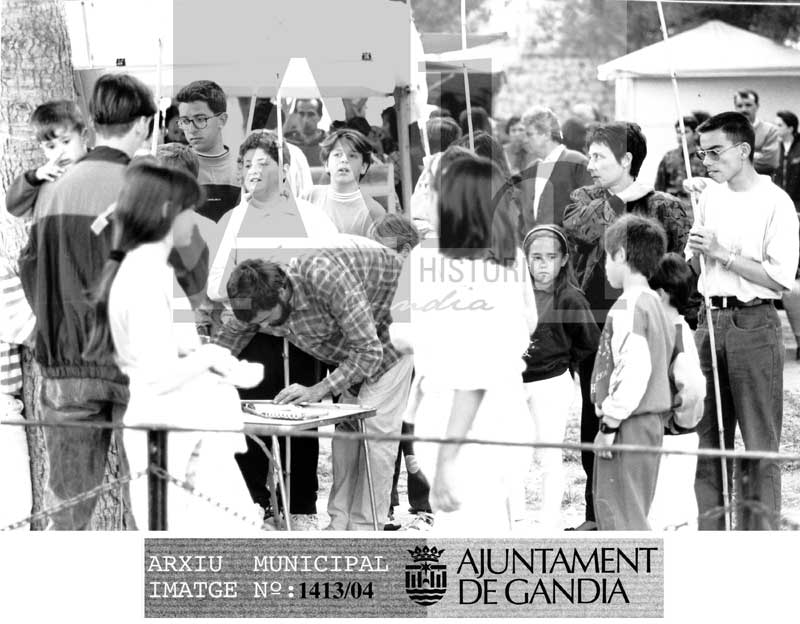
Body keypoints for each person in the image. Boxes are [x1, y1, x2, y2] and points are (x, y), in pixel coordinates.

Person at [83, 162, 261, 531]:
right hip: (166, 435)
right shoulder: (143, 276)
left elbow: (176, 352)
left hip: (184, 431)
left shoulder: (155, 271)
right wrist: (210, 356)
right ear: (167, 211)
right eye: (189, 210)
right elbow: (159, 374)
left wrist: (216, 362)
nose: (194, 220)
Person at [17, 73, 157, 530]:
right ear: (144, 124)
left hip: (67, 360)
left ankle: (60, 578)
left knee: (67, 506)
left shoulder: (52, 187)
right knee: (150, 501)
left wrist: (57, 322)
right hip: (132, 361)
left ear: (94, 126)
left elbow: (29, 267)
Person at [214, 238, 414, 531]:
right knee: (347, 436)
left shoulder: (325, 279)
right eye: (259, 324)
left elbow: (370, 352)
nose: (265, 328)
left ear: (283, 292)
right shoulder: (252, 299)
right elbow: (229, 339)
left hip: (392, 335)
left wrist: (318, 389)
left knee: (375, 432)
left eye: (268, 319)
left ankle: (366, 529)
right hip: (353, 346)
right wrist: (205, 376)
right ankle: (339, 524)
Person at [562, 121, 690, 530]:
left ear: (627, 159)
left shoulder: (665, 206)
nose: (590, 165)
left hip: (647, 317)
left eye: (599, 157)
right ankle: (595, 512)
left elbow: (679, 265)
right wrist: (620, 200)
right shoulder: (584, 198)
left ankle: (641, 514)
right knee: (593, 412)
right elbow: (578, 229)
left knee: (642, 409)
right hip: (595, 323)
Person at [207, 131, 337, 530]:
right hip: (251, 338)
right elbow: (215, 286)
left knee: (301, 421)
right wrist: (254, 297)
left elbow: (332, 272)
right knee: (250, 419)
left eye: (263, 163)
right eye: (246, 164)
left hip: (302, 337)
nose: (253, 171)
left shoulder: (311, 217)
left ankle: (301, 507)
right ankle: (256, 503)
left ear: (283, 168)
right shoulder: (232, 220)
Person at [404, 155, 536, 534]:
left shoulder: (460, 266)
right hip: (482, 414)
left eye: (432, 187)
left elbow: (473, 376)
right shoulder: (503, 256)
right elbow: (526, 324)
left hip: (469, 430)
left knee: (467, 544)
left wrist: (447, 459)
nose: (424, 196)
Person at [686, 111, 799, 530]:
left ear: (744, 150)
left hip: (753, 323)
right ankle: (712, 537)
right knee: (706, 442)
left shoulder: (776, 202)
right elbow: (696, 261)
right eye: (702, 154)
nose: (707, 161)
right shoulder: (709, 197)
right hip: (708, 320)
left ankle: (757, 544)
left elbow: (779, 278)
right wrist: (696, 251)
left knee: (757, 443)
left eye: (715, 152)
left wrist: (722, 253)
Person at [592, 213, 673, 530]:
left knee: (620, 518)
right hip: (646, 423)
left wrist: (609, 425)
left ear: (621, 255)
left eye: (606, 257)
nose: (605, 266)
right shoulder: (655, 303)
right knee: (633, 511)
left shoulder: (629, 306)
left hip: (628, 424)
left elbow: (634, 370)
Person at [521, 224, 599, 531]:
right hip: (514, 383)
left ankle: (549, 520)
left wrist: (564, 360)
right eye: (536, 258)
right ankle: (514, 519)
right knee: (514, 454)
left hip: (551, 383)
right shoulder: (516, 294)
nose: (543, 265)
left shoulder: (570, 299)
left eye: (551, 257)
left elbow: (589, 342)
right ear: (525, 259)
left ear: (564, 259)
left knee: (549, 455)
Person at [369, 214, 432, 531]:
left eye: (384, 250)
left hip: (422, 367)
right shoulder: (382, 278)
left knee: (417, 434)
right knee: (389, 433)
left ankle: (426, 507)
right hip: (391, 367)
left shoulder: (426, 279)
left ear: (405, 251)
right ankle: (386, 507)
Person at [647, 253, 706, 531]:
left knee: (672, 510)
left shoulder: (677, 335)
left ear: (659, 294)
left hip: (674, 436)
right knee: (665, 506)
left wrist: (678, 422)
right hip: (667, 435)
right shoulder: (667, 330)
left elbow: (693, 388)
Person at [5, 100, 87, 218]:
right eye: (51, 146)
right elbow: (15, 208)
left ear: (84, 136)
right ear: (43, 149)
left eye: (66, 141)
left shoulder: (103, 164)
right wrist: (35, 177)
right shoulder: (46, 179)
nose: (60, 152)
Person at [515, 107, 592, 229]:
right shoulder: (531, 168)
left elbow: (590, 212)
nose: (525, 140)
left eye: (529, 134)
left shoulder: (576, 162)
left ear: (546, 134)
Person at [176, 80, 240, 222]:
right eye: (185, 121)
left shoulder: (245, 169)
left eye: (200, 119)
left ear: (222, 120)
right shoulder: (174, 167)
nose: (191, 129)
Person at [305, 128, 386, 238]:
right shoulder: (310, 197)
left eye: (352, 156)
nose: (344, 160)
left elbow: (385, 248)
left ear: (363, 167)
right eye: (337, 155)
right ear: (326, 164)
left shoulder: (374, 212)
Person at [654, 115, 708, 213]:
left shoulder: (705, 157)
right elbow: (659, 187)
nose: (680, 136)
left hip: (697, 210)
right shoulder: (669, 157)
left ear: (695, 134)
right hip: (673, 211)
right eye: (678, 132)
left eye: (685, 132)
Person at [733, 89, 780, 176]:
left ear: (757, 106)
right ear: (735, 108)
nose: (744, 109)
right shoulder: (727, 132)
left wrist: (735, 158)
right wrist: (755, 155)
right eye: (739, 106)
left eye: (748, 105)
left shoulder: (770, 131)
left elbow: (770, 162)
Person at [284, 98, 327, 167]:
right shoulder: (285, 144)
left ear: (320, 116)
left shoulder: (330, 143)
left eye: (311, 114)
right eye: (301, 114)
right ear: (295, 115)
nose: (305, 120)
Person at [774, 110, 800, 209]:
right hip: (780, 201)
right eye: (775, 124)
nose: (775, 128)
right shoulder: (775, 147)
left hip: (797, 202)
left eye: (779, 125)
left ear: (790, 129)